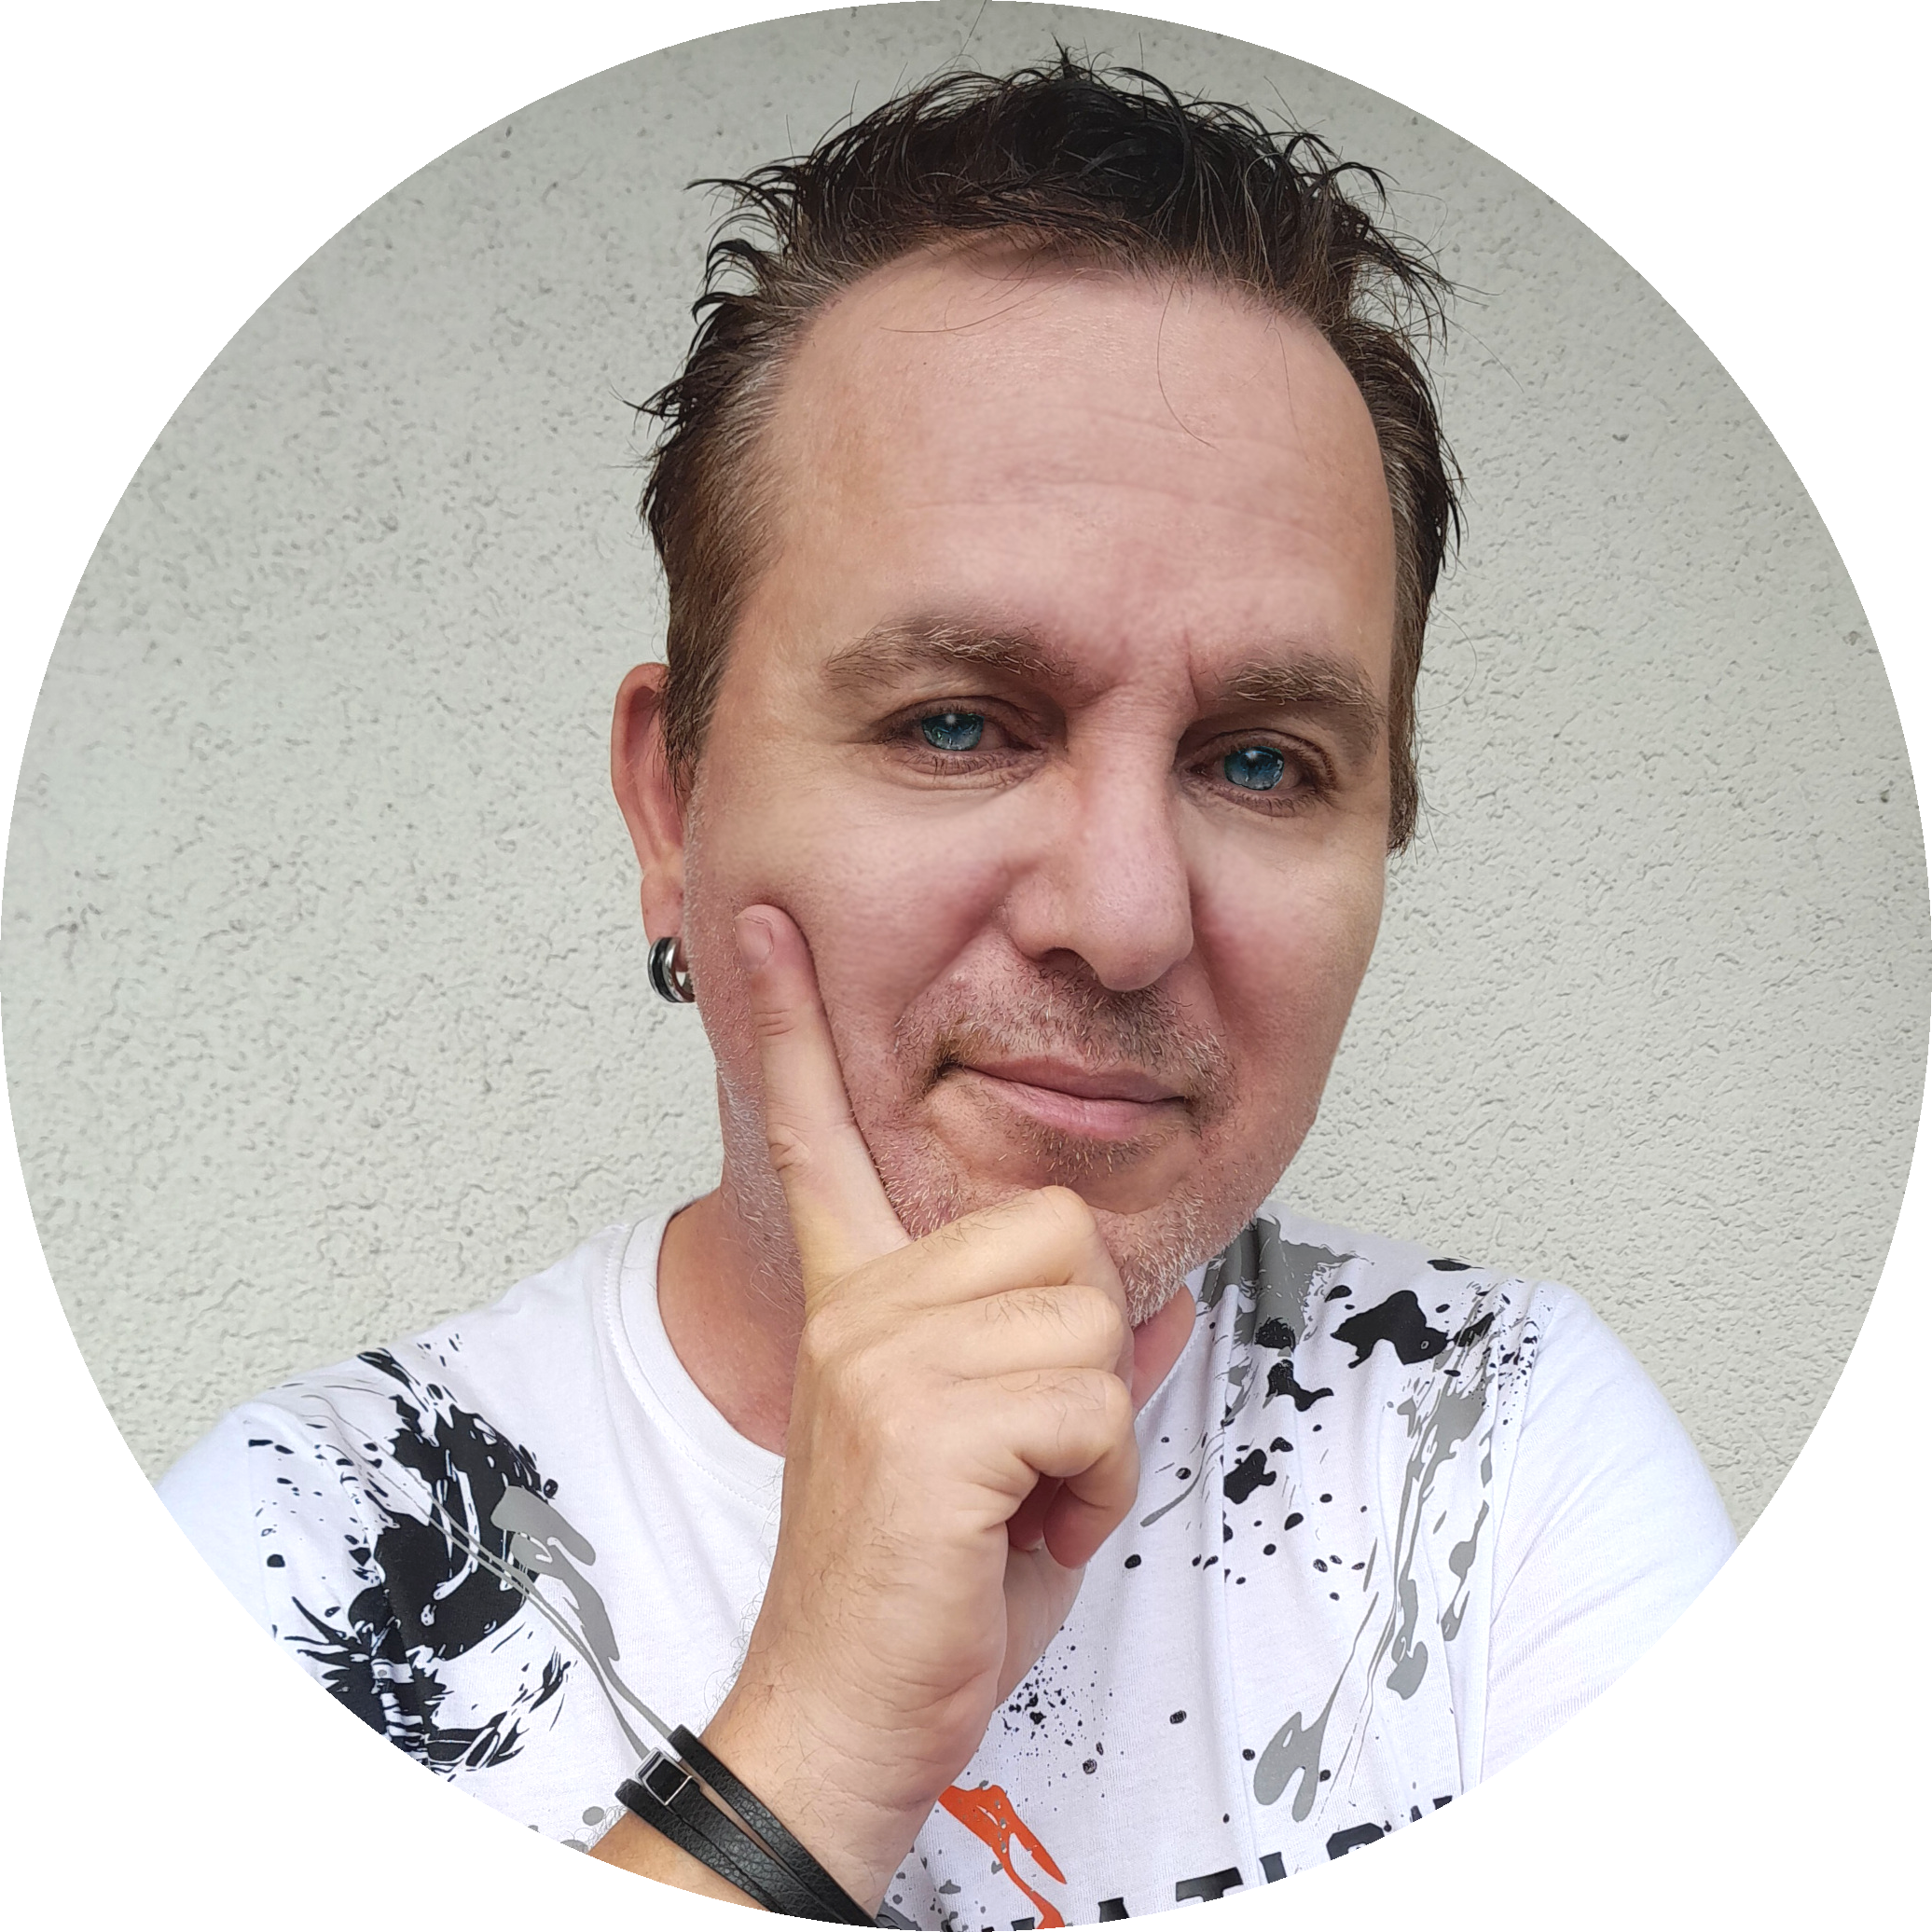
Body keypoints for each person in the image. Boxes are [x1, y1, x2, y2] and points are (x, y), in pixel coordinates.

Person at [158, 55, 1733, 1924]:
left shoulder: (1492, 1452)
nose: (1123, 918)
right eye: (959, 722)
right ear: (672, 803)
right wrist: (809, 1749)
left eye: (1260, 761)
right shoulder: (324, 1543)